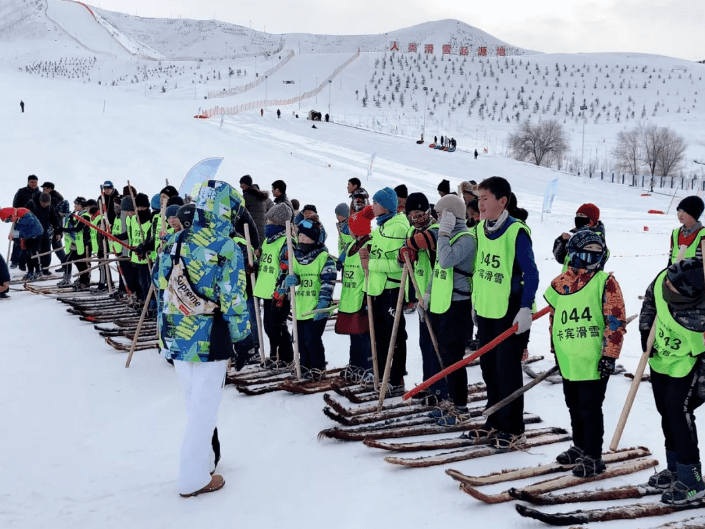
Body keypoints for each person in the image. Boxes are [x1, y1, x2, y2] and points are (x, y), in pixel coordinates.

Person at [153, 180, 253, 498]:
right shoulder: (226, 246)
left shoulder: (175, 239)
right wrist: (244, 338)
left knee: (193, 401)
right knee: (204, 408)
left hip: (175, 333)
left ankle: (206, 460)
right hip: (210, 335)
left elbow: (158, 280)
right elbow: (234, 297)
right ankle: (193, 477)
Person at [545, 230, 626, 477]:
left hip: (593, 358)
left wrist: (610, 355)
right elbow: (554, 318)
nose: (590, 260)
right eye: (585, 254)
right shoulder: (561, 283)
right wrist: (555, 350)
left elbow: (615, 320)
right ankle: (579, 446)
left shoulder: (605, 282)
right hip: (569, 356)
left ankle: (593, 455)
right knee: (573, 404)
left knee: (590, 408)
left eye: (595, 255)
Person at [472, 176, 539, 448]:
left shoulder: (516, 231)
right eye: (478, 199)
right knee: (489, 368)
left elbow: (531, 273)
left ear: (502, 201)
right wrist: (475, 305)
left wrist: (525, 307)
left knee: (507, 370)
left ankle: (513, 428)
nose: (480, 204)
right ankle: (495, 420)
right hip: (488, 309)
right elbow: (480, 269)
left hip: (511, 313)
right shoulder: (479, 229)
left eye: (485, 199)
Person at [639, 258, 705, 504]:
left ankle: (692, 479)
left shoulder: (701, 314)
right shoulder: (663, 281)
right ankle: (675, 468)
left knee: (679, 412)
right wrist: (646, 331)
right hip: (660, 359)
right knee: (665, 411)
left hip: (687, 365)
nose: (666, 286)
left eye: (673, 289)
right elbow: (649, 302)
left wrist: (699, 392)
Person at [425, 194, 476, 425]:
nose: (436, 219)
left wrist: (444, 234)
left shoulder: (466, 238)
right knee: (444, 356)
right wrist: (427, 293)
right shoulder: (447, 237)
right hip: (442, 304)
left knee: (454, 359)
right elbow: (438, 269)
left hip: (457, 307)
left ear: (449, 216)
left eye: (439, 215)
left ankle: (461, 407)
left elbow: (446, 260)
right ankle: (451, 400)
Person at [360, 187, 410, 391]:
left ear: (387, 206)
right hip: (376, 289)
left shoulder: (398, 227)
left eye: (377, 203)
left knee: (395, 335)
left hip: (391, 289)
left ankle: (397, 377)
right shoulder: (380, 226)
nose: (373, 206)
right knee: (379, 335)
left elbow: (401, 265)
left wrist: (370, 263)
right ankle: (381, 372)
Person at [398, 192, 444, 403]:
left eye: (419, 214)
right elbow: (403, 255)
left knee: (438, 345)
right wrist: (403, 253)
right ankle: (428, 383)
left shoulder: (437, 228)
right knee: (425, 343)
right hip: (421, 296)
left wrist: (410, 245)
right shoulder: (411, 231)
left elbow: (423, 241)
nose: (415, 219)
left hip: (439, 295)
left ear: (427, 212)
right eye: (411, 215)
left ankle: (440, 388)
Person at [281, 216, 337, 379]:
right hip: (301, 306)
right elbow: (295, 275)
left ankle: (318, 367)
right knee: (299, 340)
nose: (301, 239)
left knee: (312, 340)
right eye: (299, 236)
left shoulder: (323, 258)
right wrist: (291, 280)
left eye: (305, 236)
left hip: (317, 307)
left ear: (313, 238)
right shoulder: (296, 257)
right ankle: (304, 366)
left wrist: (323, 302)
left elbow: (329, 281)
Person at [253, 203, 295, 365]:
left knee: (277, 326)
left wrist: (281, 290)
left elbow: (285, 268)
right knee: (269, 327)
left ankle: (285, 357)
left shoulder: (286, 242)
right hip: (266, 290)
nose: (266, 225)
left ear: (278, 223)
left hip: (279, 292)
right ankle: (274, 355)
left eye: (269, 222)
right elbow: (265, 263)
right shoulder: (268, 242)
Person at [337, 206, 375, 381]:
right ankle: (355, 363)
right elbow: (347, 258)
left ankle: (368, 366)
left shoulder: (368, 244)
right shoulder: (353, 243)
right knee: (353, 333)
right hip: (350, 296)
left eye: (351, 228)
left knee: (363, 334)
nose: (348, 230)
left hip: (362, 296)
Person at [553, 203, 607, 271]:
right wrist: (562, 241)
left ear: (591, 220)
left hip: (583, 280)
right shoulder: (576, 236)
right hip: (568, 278)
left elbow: (587, 265)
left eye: (581, 215)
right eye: (577, 215)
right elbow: (561, 258)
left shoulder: (595, 239)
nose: (578, 218)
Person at [56, 197, 91, 289]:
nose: (74, 206)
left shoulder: (85, 216)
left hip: (84, 243)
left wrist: (62, 229)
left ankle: (84, 281)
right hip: (78, 244)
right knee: (78, 262)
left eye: (76, 204)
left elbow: (77, 228)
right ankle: (83, 279)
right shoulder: (78, 215)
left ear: (80, 205)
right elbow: (75, 226)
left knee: (82, 263)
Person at [0, 207, 44, 280]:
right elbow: (17, 229)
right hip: (27, 236)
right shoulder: (16, 217)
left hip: (36, 234)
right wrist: (14, 236)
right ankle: (30, 271)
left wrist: (19, 221)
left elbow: (30, 223)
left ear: (11, 215)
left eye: (8, 220)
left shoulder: (25, 215)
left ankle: (38, 271)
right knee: (27, 253)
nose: (10, 221)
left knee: (33, 253)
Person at [25, 192, 61, 275]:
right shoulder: (31, 205)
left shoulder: (50, 207)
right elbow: (23, 218)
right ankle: (31, 270)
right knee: (32, 251)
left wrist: (58, 231)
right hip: (32, 232)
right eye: (43, 202)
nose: (45, 204)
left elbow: (55, 219)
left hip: (44, 231)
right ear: (39, 200)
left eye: (47, 203)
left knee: (46, 250)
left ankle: (45, 269)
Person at [11, 175, 41, 269]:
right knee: (17, 240)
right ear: (28, 182)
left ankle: (24, 262)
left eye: (35, 182)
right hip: (19, 221)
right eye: (32, 182)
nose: (34, 184)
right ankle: (14, 261)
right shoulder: (21, 191)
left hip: (32, 222)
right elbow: (15, 205)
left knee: (27, 242)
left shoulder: (39, 193)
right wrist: (16, 216)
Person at [669, 196, 705, 264]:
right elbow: (670, 262)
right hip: (675, 274)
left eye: (684, 211)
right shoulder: (675, 233)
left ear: (693, 213)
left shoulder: (703, 235)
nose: (680, 214)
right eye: (679, 211)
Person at [239, 175, 273, 243]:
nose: (240, 186)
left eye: (242, 184)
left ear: (246, 184)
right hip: (261, 230)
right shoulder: (260, 197)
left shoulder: (247, 196)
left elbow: (239, 211)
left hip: (251, 230)